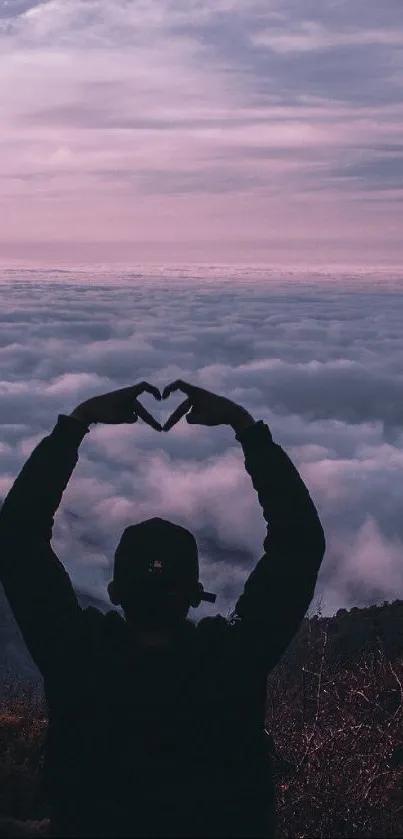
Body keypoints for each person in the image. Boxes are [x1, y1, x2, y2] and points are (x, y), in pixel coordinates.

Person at [0, 379, 326, 839]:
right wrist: (245, 427)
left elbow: (17, 539)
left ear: (114, 592)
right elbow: (300, 543)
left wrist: (77, 423)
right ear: (196, 592)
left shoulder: (75, 657)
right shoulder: (232, 662)